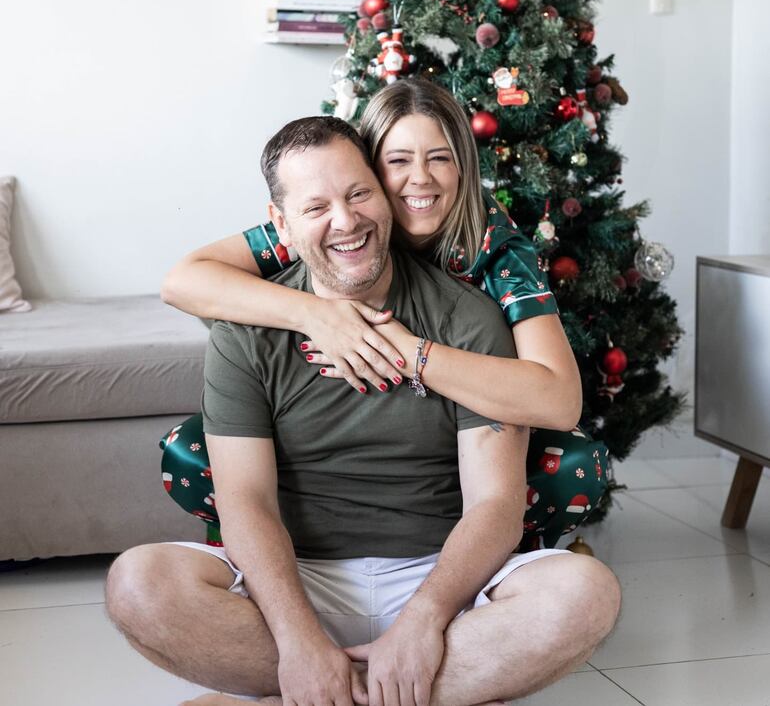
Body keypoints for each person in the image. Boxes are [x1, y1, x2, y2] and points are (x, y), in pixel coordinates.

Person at [106, 116, 621, 706]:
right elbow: (244, 500)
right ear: (281, 224)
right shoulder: (244, 330)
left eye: (358, 194)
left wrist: (425, 618)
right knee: (137, 584)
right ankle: (385, 689)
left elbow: (496, 504)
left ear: (382, 193)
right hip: (298, 579)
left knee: (586, 592)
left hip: (440, 579)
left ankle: (313, 695)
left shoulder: (468, 315)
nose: (346, 222)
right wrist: (298, 639)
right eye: (316, 207)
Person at [159, 79, 609, 552]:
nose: (420, 178)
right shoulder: (343, 219)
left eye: (440, 157)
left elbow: (559, 402)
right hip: (363, 449)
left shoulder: (496, 248)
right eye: (397, 161)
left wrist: (408, 353)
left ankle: (525, 552)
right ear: (369, 167)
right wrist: (316, 315)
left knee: (574, 459)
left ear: (463, 166)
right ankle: (240, 556)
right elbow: (182, 281)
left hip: (483, 427)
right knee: (193, 450)